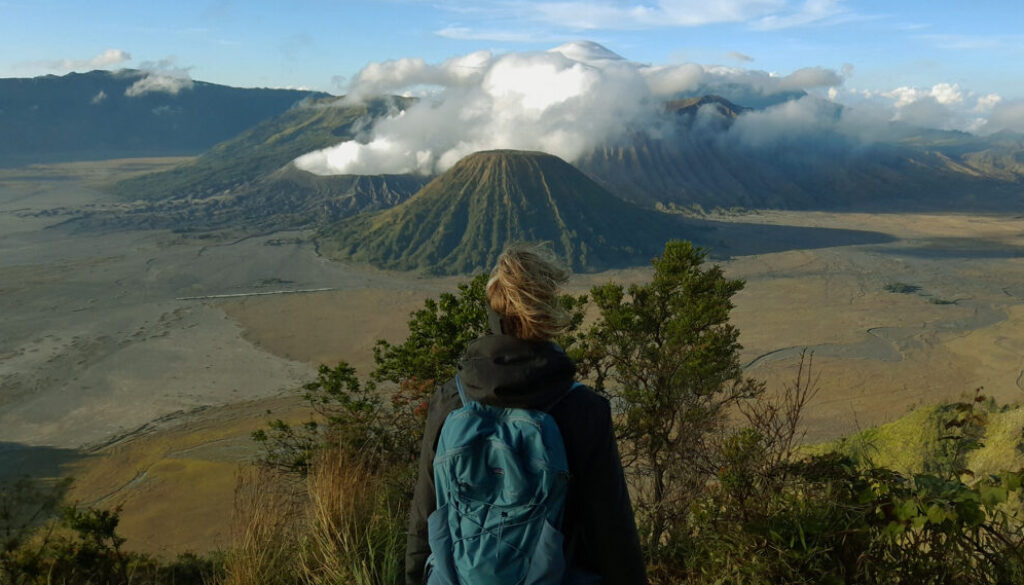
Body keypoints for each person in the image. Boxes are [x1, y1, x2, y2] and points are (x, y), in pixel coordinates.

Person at [405, 242, 647, 585]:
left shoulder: (449, 399)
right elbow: (612, 531)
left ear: (493, 314)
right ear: (547, 315)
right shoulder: (583, 409)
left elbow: (425, 515)